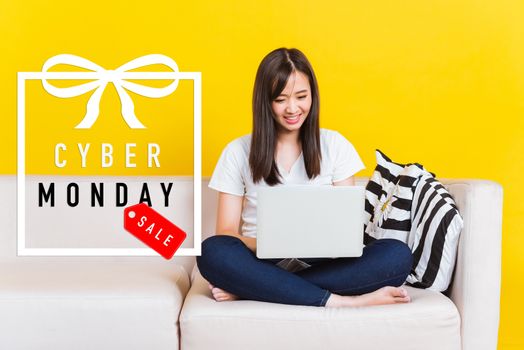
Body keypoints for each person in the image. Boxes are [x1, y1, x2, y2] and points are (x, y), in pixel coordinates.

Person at [197, 48, 413, 307]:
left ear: (313, 96)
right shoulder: (238, 151)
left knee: (396, 255)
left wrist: (312, 245)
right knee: (212, 252)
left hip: (323, 262)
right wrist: (274, 244)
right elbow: (227, 233)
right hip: (260, 258)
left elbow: (347, 231)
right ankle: (341, 301)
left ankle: (259, 287)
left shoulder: (335, 144)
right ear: (265, 101)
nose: (292, 108)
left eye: (301, 96)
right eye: (280, 99)